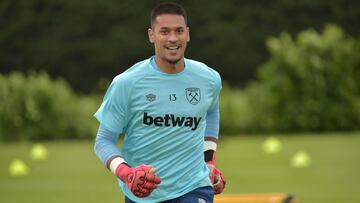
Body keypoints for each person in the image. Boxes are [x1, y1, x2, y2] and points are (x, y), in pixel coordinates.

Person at [94, 2, 226, 203]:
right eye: (164, 31)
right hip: (143, 196)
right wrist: (126, 173)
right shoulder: (126, 83)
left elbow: (211, 112)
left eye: (179, 31)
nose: (173, 38)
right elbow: (103, 140)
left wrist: (209, 162)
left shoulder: (209, 79)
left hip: (194, 187)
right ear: (151, 35)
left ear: (188, 34)